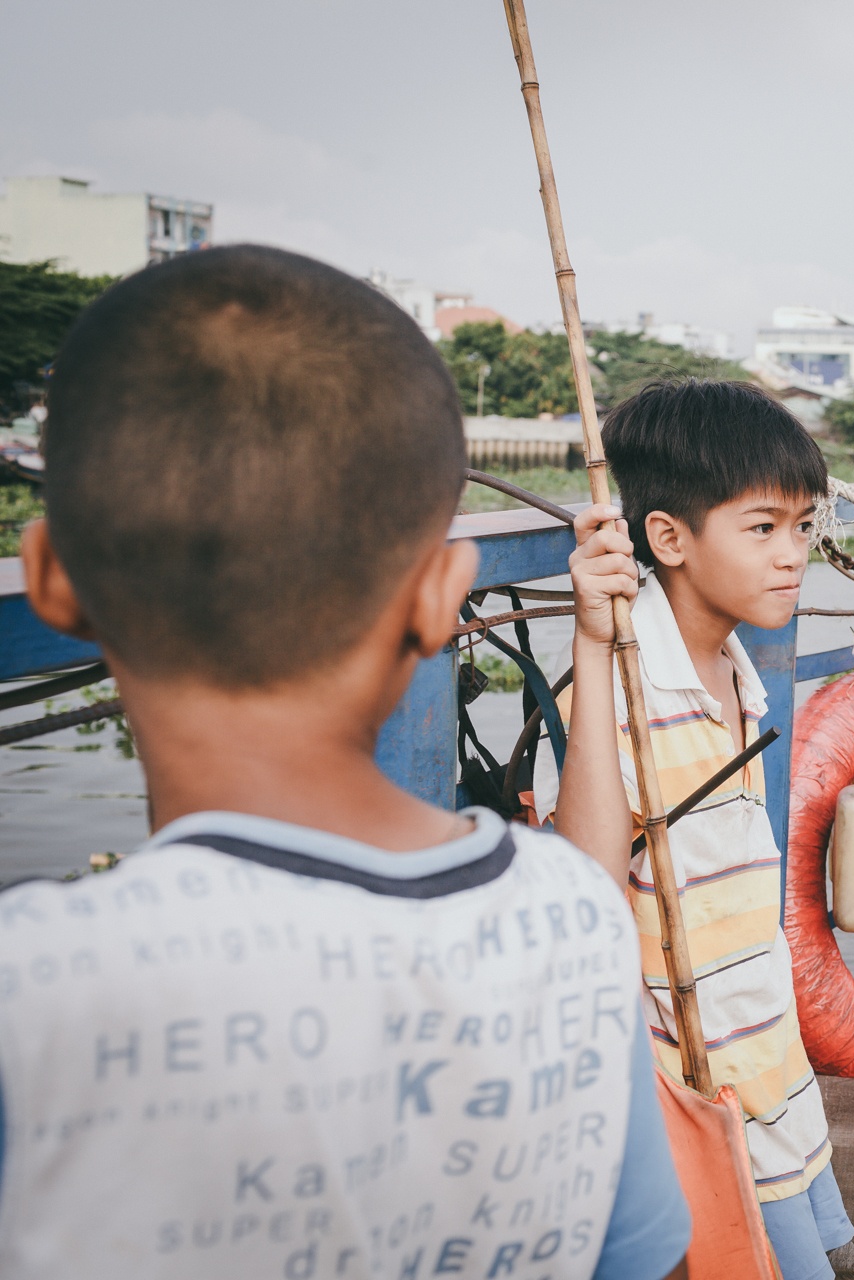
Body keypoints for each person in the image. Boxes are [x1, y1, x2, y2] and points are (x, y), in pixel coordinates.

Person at [10, 245, 690, 1279]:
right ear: (439, 595)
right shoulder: (581, 919)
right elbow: (644, 1257)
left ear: (52, 579)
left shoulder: (37, 988)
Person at [544, 380, 854, 1280]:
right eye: (761, 529)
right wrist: (593, 653)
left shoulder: (731, 664)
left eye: (802, 528)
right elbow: (588, 887)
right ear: (667, 539)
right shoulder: (621, 690)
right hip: (689, 1091)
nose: (793, 555)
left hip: (764, 1067)